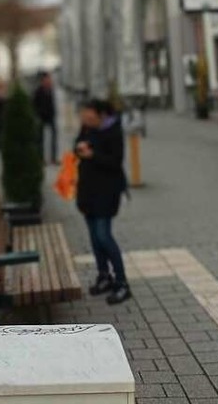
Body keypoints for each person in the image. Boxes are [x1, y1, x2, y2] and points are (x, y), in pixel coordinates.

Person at [75, 98, 131, 305]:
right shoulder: (87, 128)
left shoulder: (113, 132)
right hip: (87, 192)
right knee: (94, 238)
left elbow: (115, 162)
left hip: (106, 193)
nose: (85, 120)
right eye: (84, 116)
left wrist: (92, 155)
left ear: (102, 115)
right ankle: (104, 276)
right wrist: (79, 148)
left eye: (89, 116)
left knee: (104, 236)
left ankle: (122, 283)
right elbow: (77, 147)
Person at [33, 71, 58, 164]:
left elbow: (52, 104)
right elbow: (34, 104)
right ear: (43, 80)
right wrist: (38, 115)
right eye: (47, 79)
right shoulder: (38, 91)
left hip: (51, 117)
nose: (49, 81)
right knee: (40, 139)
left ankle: (53, 158)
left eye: (49, 79)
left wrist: (53, 113)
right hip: (41, 117)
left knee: (54, 136)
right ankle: (41, 159)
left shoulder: (51, 90)